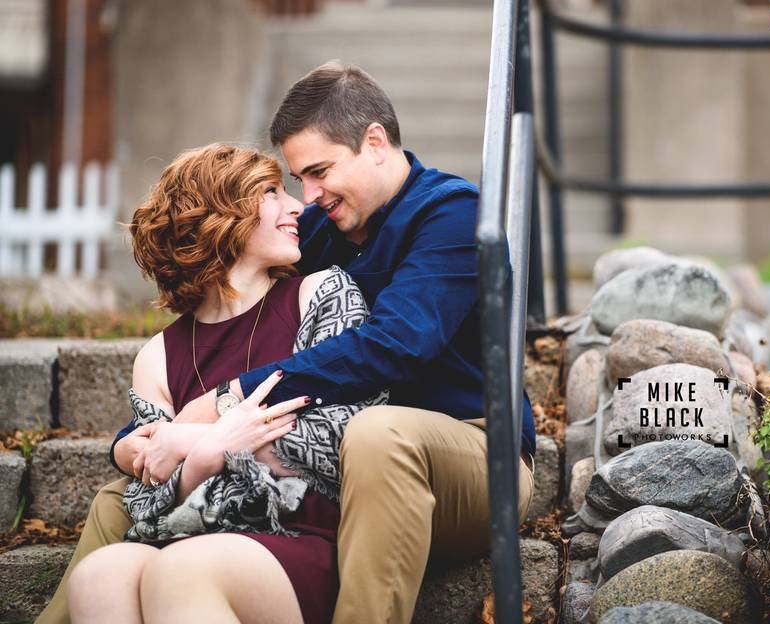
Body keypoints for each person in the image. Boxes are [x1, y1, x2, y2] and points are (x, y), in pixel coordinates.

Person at [38, 61, 536, 624]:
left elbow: (397, 343)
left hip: (470, 456)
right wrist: (137, 444)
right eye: (299, 180)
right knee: (124, 491)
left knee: (377, 435)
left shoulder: (452, 215)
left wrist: (228, 401)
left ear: (375, 142)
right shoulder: (324, 228)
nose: (310, 195)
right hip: (355, 468)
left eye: (319, 171)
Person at [65, 143, 348, 624]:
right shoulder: (158, 356)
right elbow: (147, 498)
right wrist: (206, 452)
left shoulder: (321, 294)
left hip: (299, 537)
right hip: (190, 534)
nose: (297, 206)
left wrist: (187, 439)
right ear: (222, 214)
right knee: (100, 574)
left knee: (180, 569)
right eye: (271, 193)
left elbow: (339, 441)